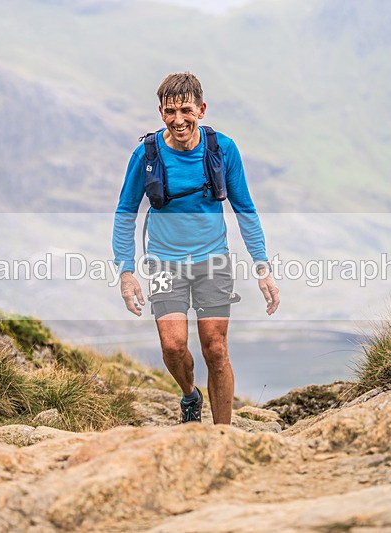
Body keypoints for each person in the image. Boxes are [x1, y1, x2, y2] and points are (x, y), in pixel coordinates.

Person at [112, 72, 279, 425]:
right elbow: (125, 213)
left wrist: (262, 267)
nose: (178, 120)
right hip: (163, 263)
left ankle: (223, 436)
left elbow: (244, 208)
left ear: (201, 110)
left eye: (186, 110)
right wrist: (126, 272)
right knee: (173, 346)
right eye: (170, 112)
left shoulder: (223, 150)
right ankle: (190, 395)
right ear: (161, 112)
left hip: (213, 261)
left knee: (215, 349)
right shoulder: (147, 154)